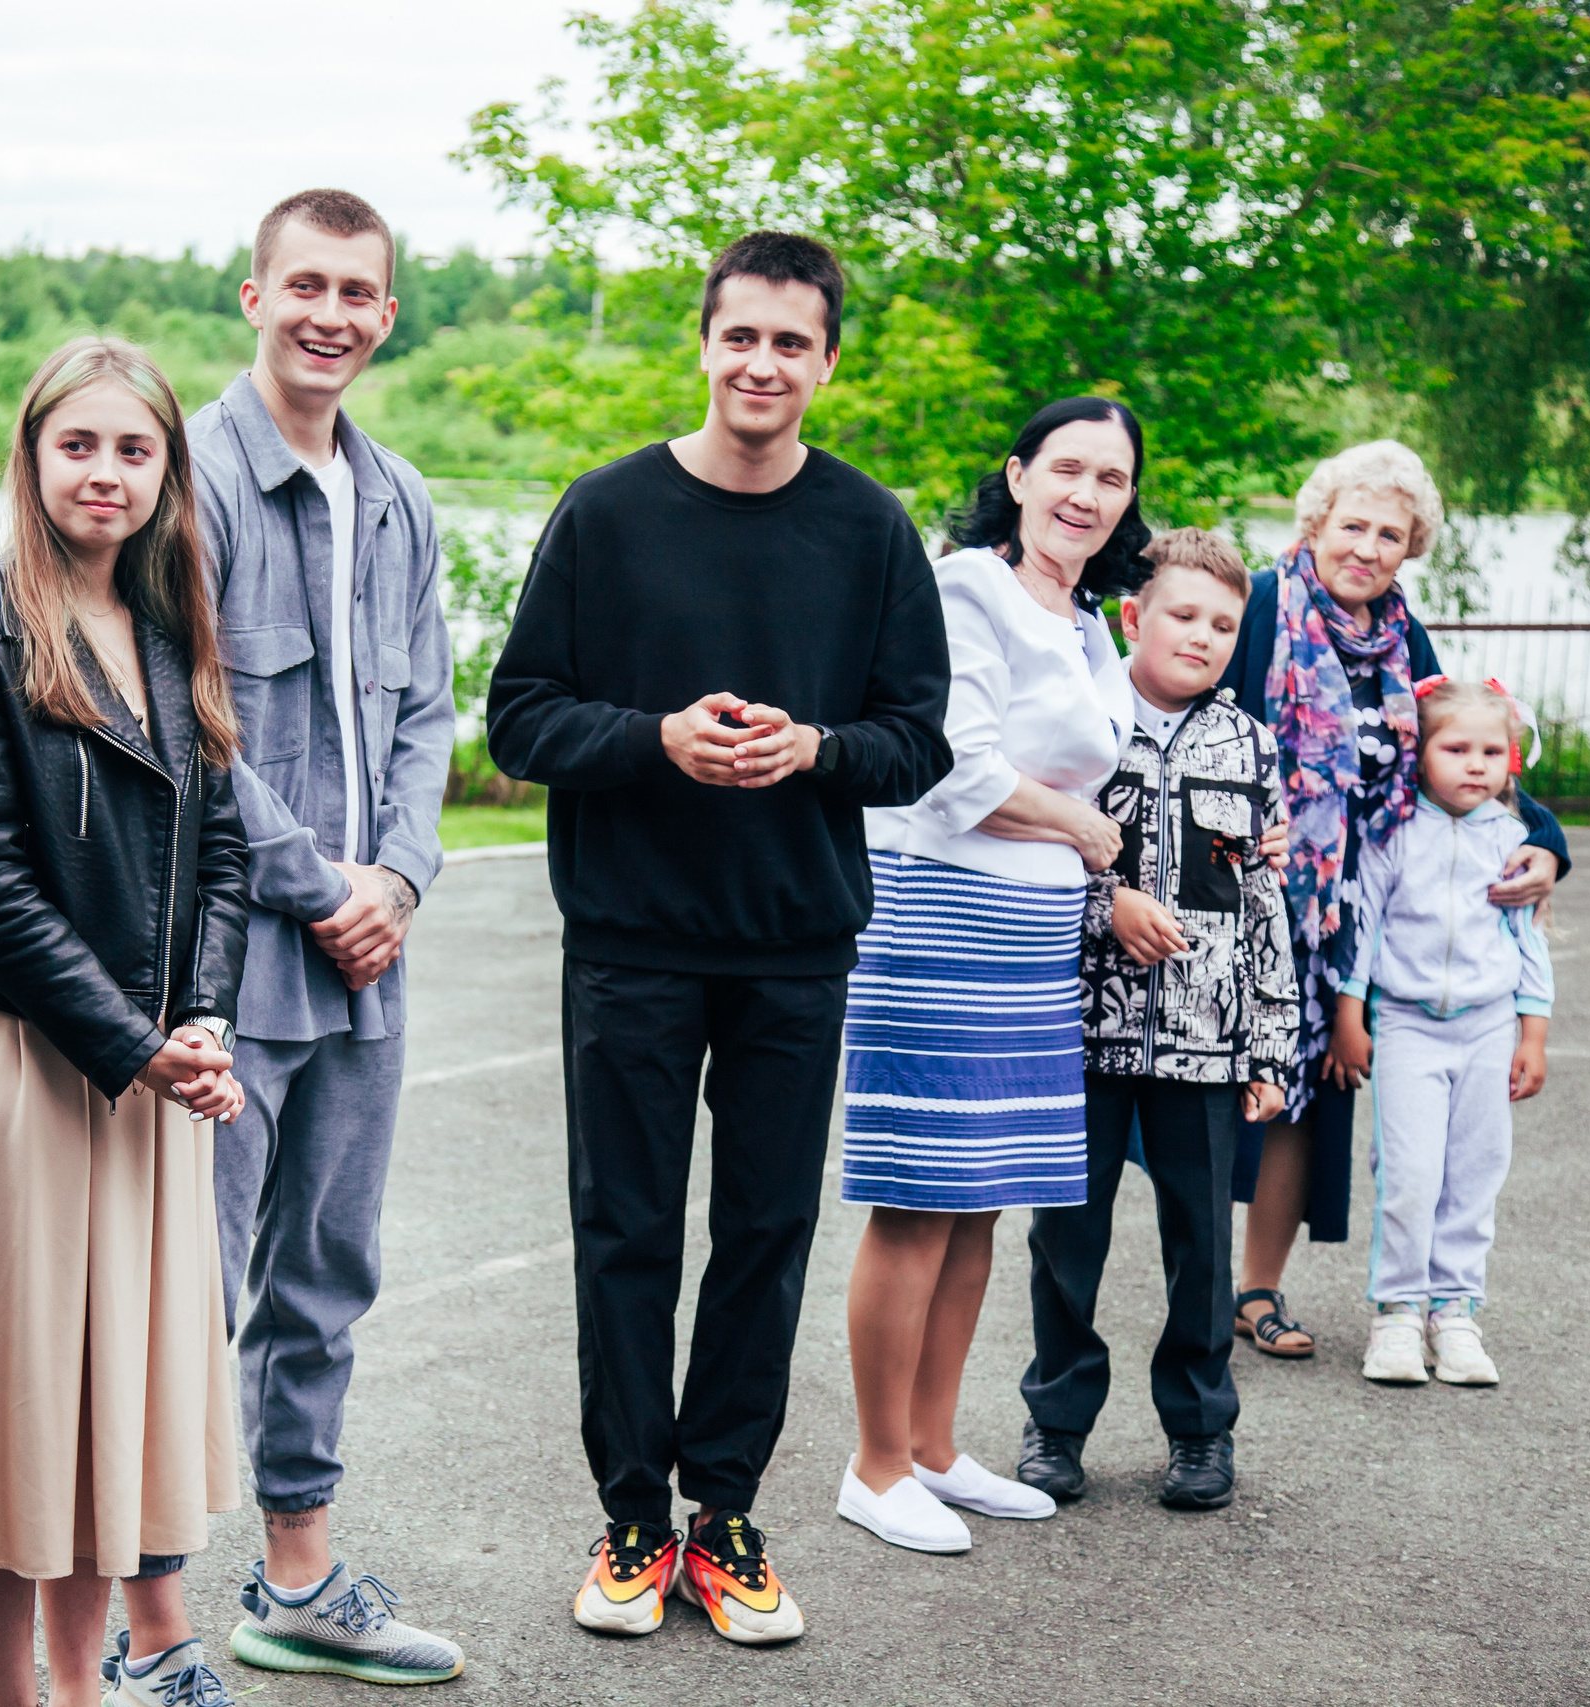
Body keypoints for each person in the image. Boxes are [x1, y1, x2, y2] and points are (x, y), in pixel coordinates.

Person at [488, 231, 952, 1640]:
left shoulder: (869, 529)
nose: (763, 364)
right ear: (705, 343)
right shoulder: (606, 511)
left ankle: (725, 1517)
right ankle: (631, 1517)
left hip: (795, 941)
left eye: (791, 343)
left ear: (826, 359)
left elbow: (918, 738)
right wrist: (654, 740)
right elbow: (520, 716)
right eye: (740, 336)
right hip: (630, 937)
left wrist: (813, 747)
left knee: (764, 1232)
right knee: (624, 1229)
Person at [0, 336, 251, 1707]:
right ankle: (14, 1698)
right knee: (22, 1412)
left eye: (134, 449)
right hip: (27, 1071)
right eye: (79, 445)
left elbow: (219, 857)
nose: (105, 473)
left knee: (116, 1419)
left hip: (158, 1081)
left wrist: (203, 1018)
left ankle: (86, 1684)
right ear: (33, 459)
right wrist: (129, 1036)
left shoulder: (177, 640)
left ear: (167, 473)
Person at [186, 188, 465, 1686]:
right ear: (253, 295)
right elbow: (187, 716)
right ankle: (143, 1599)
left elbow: (426, 713)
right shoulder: (193, 475)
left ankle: (297, 1579)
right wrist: (320, 886)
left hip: (373, 954)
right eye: (307, 285)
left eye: (359, 292)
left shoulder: (400, 492)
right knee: (193, 1275)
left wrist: (402, 883)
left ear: (387, 313)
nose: (331, 315)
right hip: (241, 950)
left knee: (328, 1270)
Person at [839, 398, 1143, 1556]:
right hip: (936, 918)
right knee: (918, 1197)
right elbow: (947, 765)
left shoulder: (1085, 623)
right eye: (1066, 468)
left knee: (980, 1200)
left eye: (1109, 479)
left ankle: (931, 1449)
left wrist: (1080, 846)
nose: (1086, 494)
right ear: (1018, 476)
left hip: (1024, 932)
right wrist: (1075, 825)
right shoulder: (966, 588)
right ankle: (871, 1466)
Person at [1221, 441, 1569, 1360]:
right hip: (1235, 890)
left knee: (1304, 1099)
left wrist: (1548, 843)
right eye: (1353, 526)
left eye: (1390, 533)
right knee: (1204, 1095)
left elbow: (1454, 758)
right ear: (1317, 525)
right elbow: (1191, 713)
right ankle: (1187, 1287)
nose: (1367, 548)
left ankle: (1256, 1290)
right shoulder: (1260, 606)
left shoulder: (1403, 639)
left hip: (1341, 910)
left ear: (1410, 548)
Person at [1016, 528, 1296, 1513]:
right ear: (1135, 616)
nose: (1204, 637)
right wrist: (1108, 907)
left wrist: (1269, 1037)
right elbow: (1033, 853)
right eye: (1183, 615)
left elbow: (1250, 898)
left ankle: (1198, 1433)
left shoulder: (1244, 744)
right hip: (1082, 1034)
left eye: (1224, 624)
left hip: (1206, 1038)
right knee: (1067, 1239)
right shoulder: (1081, 728)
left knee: (1200, 1249)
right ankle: (1054, 1425)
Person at [1333, 679, 1551, 1386]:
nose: (1476, 764)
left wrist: (1533, 1035)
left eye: (1492, 750)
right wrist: (1349, 1016)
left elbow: (1529, 942)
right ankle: (1397, 1310)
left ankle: (1454, 1311)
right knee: (1410, 1172)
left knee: (1475, 1173)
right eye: (1456, 748)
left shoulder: (1517, 841)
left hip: (1490, 1027)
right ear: (1420, 754)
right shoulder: (1393, 833)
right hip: (1407, 1026)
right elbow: (1362, 927)